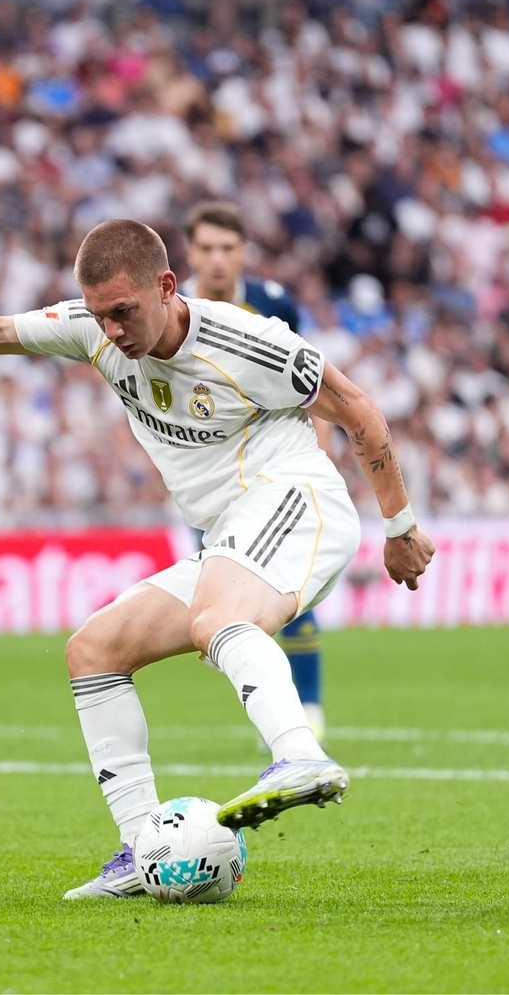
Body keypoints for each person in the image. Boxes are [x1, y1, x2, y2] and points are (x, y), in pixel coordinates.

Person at [0, 219, 434, 899]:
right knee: (94, 649)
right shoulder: (89, 327)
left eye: (124, 312)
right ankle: (144, 849)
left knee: (214, 616)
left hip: (296, 499)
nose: (111, 331)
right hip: (229, 530)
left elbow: (358, 409)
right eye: (100, 315)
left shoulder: (246, 341)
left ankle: (298, 754)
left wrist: (400, 524)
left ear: (167, 287)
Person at [181, 201, 331, 741]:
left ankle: (307, 715)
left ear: (244, 253)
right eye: (207, 249)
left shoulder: (273, 304)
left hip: (275, 471)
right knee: (219, 609)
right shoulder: (174, 309)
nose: (218, 260)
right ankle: (283, 719)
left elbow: (312, 383)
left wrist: (322, 450)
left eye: (228, 248)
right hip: (209, 481)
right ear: (190, 253)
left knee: (291, 594)